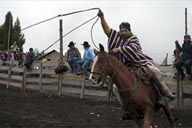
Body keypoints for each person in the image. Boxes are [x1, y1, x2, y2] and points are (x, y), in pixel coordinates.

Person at [97, 10, 175, 99]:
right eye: (121, 31)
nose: (122, 32)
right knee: (115, 88)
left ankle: (165, 91)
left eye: (125, 30)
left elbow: (134, 48)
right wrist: (102, 18)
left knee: (155, 71)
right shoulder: (116, 37)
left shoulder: (133, 38)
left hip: (139, 62)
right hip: (125, 66)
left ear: (129, 30)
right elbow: (107, 30)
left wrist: (119, 49)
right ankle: (124, 105)